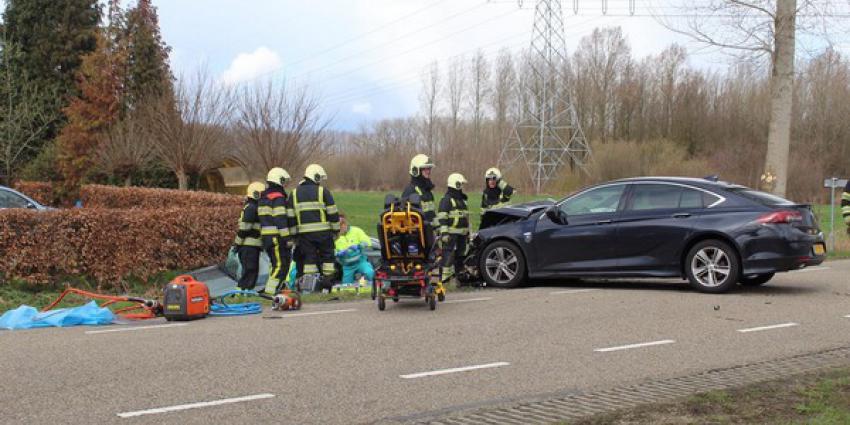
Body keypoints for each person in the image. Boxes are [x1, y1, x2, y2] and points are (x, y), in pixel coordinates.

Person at [287, 164, 340, 292]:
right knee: (328, 258)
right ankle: (327, 285)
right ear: (315, 177)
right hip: (324, 234)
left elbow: (291, 217)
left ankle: (310, 287)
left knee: (309, 260)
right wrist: (335, 231)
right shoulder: (323, 192)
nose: (320, 181)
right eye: (319, 178)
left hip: (305, 236)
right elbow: (333, 213)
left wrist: (294, 236)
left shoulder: (293, 194)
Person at [259, 167, 292, 295]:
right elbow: (280, 219)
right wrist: (287, 238)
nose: (285, 184)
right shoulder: (278, 197)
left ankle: (275, 288)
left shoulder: (264, 197)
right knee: (280, 265)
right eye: (284, 181)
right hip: (276, 237)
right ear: (279, 180)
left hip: (267, 237)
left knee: (275, 264)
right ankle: (271, 291)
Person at [437, 173, 471, 285]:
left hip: (462, 234)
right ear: (456, 184)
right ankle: (444, 280)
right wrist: (444, 233)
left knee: (460, 256)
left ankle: (459, 277)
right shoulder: (446, 200)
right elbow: (442, 217)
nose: (462, 187)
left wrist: (468, 232)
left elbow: (466, 217)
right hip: (450, 234)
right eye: (461, 184)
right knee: (448, 255)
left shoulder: (462, 200)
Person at [233, 182, 265, 290]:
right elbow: (245, 228)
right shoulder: (251, 208)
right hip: (248, 246)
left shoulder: (253, 207)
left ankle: (246, 292)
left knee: (252, 271)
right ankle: (240, 292)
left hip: (252, 246)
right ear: (256, 194)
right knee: (249, 270)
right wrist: (237, 244)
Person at [334, 213, 374, 290]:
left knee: (369, 272)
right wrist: (337, 253)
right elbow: (331, 251)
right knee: (346, 286)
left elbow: (368, 242)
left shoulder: (356, 231)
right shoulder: (335, 236)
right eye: (338, 227)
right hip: (347, 266)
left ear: (345, 224)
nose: (340, 229)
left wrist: (359, 246)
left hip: (361, 262)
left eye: (341, 225)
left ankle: (372, 288)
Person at [402, 154, 438, 233]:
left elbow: (431, 214)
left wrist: (439, 228)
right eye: (425, 169)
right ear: (416, 170)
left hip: (430, 237)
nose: (428, 171)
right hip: (417, 238)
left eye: (429, 168)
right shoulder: (410, 191)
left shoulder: (427, 190)